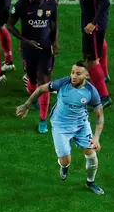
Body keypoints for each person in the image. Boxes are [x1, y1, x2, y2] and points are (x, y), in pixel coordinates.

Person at [17, 61, 106, 194]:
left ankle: (90, 182)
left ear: (86, 76)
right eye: (72, 72)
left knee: (91, 154)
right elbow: (41, 88)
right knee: (66, 160)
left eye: (78, 73)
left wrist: (96, 137)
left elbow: (100, 116)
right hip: (60, 125)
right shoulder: (62, 83)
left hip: (81, 125)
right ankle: (64, 166)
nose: (73, 76)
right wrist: (26, 105)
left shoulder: (91, 91)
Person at [48, 0, 111, 106]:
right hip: (88, 22)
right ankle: (96, 90)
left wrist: (93, 23)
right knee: (88, 58)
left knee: (92, 60)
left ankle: (104, 97)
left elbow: (105, 3)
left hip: (93, 25)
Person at [5, 0, 58, 133]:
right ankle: (33, 98)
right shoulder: (22, 4)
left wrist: (55, 41)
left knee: (44, 81)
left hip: (45, 49)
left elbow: (54, 23)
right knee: (32, 79)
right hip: (28, 49)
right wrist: (25, 41)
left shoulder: (51, 4)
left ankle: (43, 120)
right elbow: (9, 25)